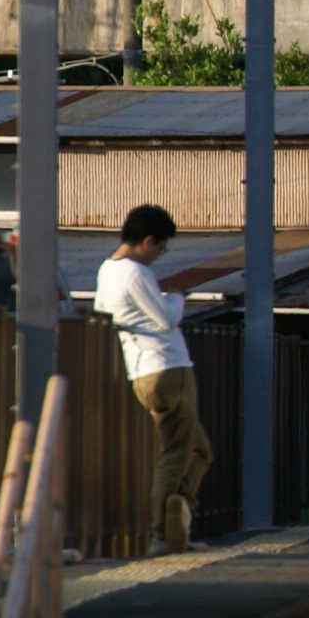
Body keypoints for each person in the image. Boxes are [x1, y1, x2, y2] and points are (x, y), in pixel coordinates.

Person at [95, 204, 209, 555]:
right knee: (177, 452)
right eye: (161, 247)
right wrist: (176, 297)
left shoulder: (107, 270)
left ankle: (178, 515)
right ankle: (162, 531)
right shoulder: (135, 273)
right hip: (167, 368)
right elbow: (165, 319)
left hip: (142, 370)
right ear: (147, 241)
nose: (160, 255)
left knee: (199, 451)